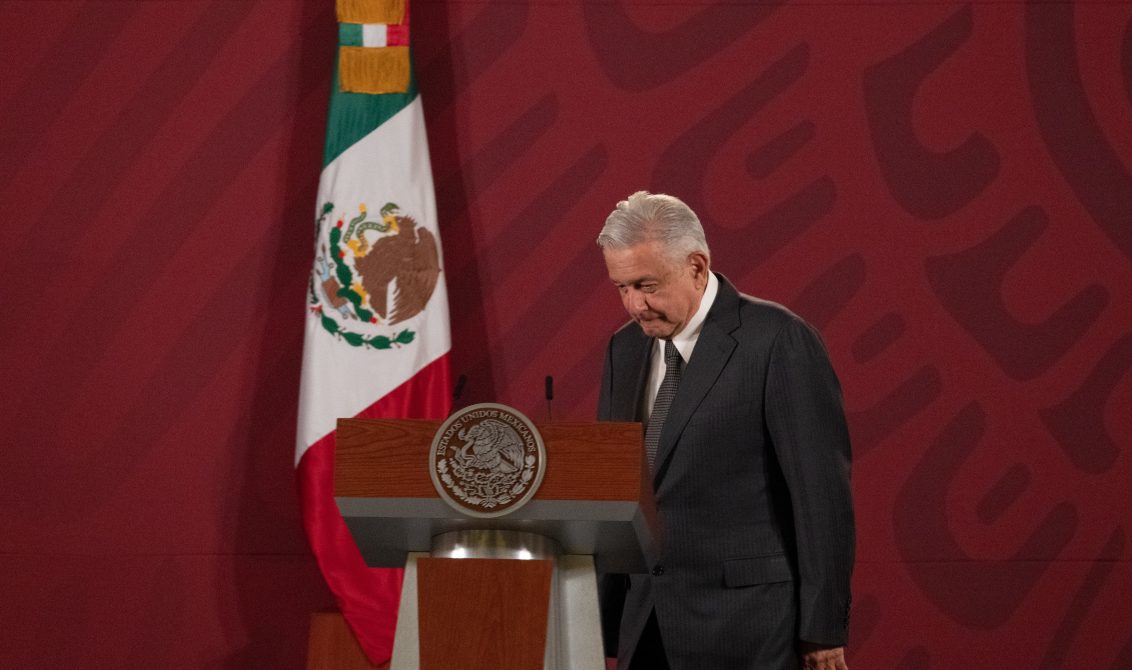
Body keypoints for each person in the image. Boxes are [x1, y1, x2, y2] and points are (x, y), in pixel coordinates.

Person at [596, 192, 855, 670]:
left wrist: (822, 630)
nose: (634, 304)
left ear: (696, 266)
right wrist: (600, 617)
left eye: (646, 285)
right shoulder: (624, 349)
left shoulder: (777, 340)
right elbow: (617, 486)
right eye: (621, 287)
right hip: (647, 622)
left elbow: (821, 497)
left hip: (750, 627)